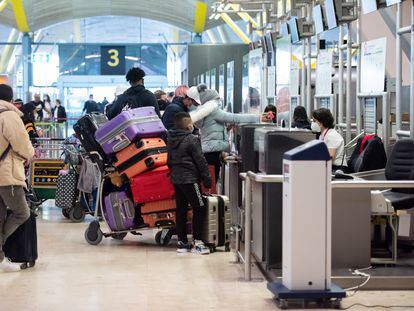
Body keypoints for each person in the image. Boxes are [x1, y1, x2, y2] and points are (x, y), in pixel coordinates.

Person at [187, 84, 271, 180]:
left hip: (207, 150)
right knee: (212, 179)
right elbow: (235, 118)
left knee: (209, 179)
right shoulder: (213, 112)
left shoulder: (202, 112)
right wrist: (258, 117)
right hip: (213, 152)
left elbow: (212, 129)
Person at [0, 84, 35, 272]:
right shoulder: (9, 116)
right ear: (11, 99)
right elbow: (21, 143)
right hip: (7, 175)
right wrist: (30, 154)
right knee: (22, 212)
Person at [167, 112, 212, 254]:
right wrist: (207, 179)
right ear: (188, 124)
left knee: (181, 209)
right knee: (199, 207)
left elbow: (168, 160)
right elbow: (201, 161)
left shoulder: (171, 138)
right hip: (190, 179)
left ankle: (182, 243)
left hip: (176, 178)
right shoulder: (192, 139)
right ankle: (197, 242)